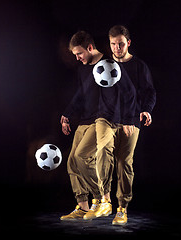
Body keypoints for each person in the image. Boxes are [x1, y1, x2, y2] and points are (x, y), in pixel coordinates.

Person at [60, 31, 137, 221]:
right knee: (72, 163)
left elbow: (128, 93)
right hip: (84, 120)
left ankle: (102, 199)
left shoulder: (111, 65)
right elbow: (81, 94)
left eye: (79, 54)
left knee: (81, 157)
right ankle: (84, 207)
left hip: (100, 120)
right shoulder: (82, 69)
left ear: (90, 48)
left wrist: (126, 119)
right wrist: (67, 114)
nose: (77, 58)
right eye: (75, 55)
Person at [108, 25, 156, 225]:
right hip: (108, 122)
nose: (117, 48)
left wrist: (146, 109)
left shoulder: (139, 66)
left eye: (120, 44)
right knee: (100, 158)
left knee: (123, 163)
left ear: (128, 43)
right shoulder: (106, 66)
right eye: (113, 44)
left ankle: (122, 208)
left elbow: (149, 91)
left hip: (130, 122)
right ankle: (100, 202)